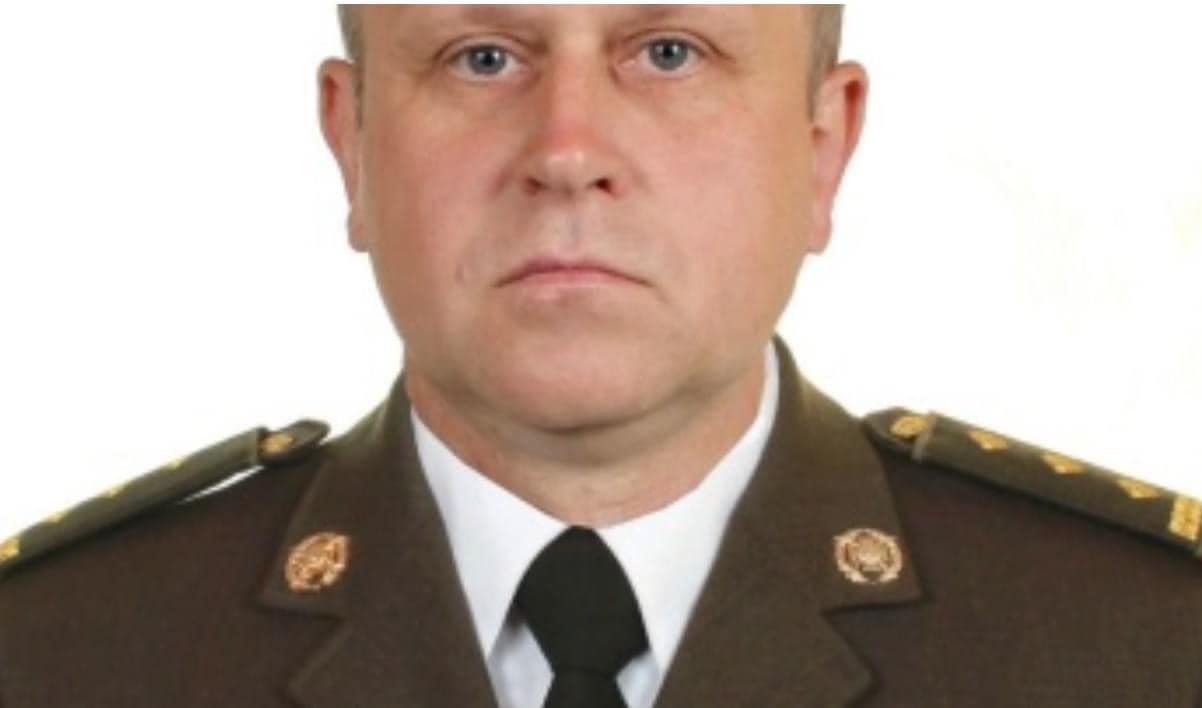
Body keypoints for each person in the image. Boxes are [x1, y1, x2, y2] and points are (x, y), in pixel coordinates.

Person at [1, 5, 1200, 707]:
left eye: (668, 51)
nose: (567, 150)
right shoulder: (60, 655)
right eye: (481, 56)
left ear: (821, 146)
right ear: (351, 143)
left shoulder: (1142, 648)